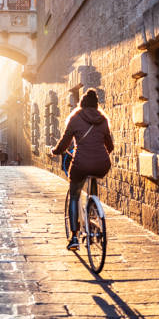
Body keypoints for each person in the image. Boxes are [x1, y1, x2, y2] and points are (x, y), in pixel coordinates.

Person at [49, 89, 113, 251]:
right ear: (96, 105)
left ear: (81, 104)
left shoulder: (75, 118)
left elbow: (64, 143)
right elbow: (110, 146)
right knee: (93, 176)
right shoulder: (103, 119)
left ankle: (74, 237)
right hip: (102, 163)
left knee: (74, 195)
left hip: (81, 163)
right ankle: (93, 211)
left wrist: (54, 151)